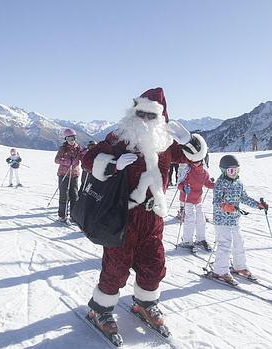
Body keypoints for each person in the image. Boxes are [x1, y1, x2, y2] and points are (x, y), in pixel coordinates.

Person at [80, 87, 207, 337]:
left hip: (153, 218)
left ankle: (145, 303)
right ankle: (100, 309)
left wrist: (189, 141)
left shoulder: (166, 142)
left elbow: (193, 157)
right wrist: (114, 164)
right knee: (116, 266)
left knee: (154, 263)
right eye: (141, 114)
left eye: (151, 116)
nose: (145, 120)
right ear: (133, 111)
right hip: (123, 216)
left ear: (160, 118)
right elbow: (88, 159)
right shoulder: (118, 138)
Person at [212, 154, 268, 283]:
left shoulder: (239, 183)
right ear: (224, 170)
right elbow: (216, 202)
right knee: (225, 244)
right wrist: (224, 206)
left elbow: (244, 198)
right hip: (222, 220)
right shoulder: (220, 184)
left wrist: (258, 205)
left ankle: (240, 267)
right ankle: (220, 271)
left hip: (234, 219)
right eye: (231, 170)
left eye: (237, 170)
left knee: (238, 243)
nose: (234, 173)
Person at [177, 136, 214, 252]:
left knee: (201, 219)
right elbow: (179, 184)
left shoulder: (204, 172)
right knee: (190, 219)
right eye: (195, 161)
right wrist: (184, 187)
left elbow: (207, 183)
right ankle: (187, 240)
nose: (197, 163)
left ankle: (200, 238)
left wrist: (215, 185)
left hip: (198, 200)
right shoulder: (187, 170)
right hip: (187, 199)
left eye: (199, 161)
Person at [54, 129, 83, 223]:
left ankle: (73, 216)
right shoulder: (63, 148)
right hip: (63, 174)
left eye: (73, 138)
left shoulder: (78, 148)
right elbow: (56, 160)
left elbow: (83, 157)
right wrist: (66, 162)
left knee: (74, 195)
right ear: (66, 138)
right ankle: (62, 216)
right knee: (64, 195)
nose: (71, 140)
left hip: (74, 174)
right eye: (69, 138)